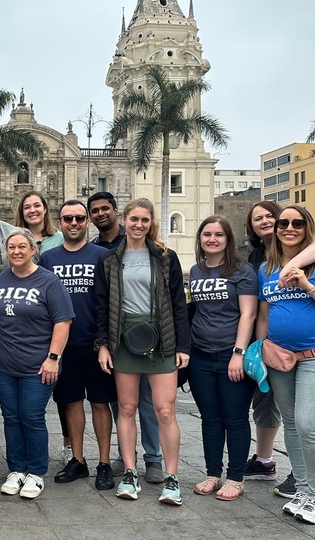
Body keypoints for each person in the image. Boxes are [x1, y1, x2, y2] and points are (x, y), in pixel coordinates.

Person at [256, 205, 315, 524]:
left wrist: (309, 287)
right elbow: (265, 312)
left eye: (297, 223)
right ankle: (304, 490)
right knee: (292, 425)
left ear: (307, 227)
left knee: (309, 424)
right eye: (283, 223)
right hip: (280, 357)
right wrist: (260, 348)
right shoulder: (267, 267)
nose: (289, 228)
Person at [94, 198, 190, 505]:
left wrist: (182, 346)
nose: (138, 225)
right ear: (124, 220)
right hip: (123, 338)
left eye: (144, 220)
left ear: (151, 224)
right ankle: (130, 472)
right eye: (134, 219)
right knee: (126, 407)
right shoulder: (109, 260)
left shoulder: (165, 257)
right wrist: (103, 345)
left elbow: (178, 303)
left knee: (164, 409)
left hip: (161, 337)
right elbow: (101, 306)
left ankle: (171, 477)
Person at [0, 229, 74, 500]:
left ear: (33, 250)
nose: (16, 251)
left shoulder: (48, 281)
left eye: (22, 247)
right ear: (6, 252)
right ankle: (16, 469)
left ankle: (36, 472)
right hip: (5, 365)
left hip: (38, 365)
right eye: (11, 247)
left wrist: (53, 359)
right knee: (11, 417)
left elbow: (63, 321)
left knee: (31, 416)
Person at [40, 200, 116, 490]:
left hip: (96, 344)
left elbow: (111, 302)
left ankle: (105, 463)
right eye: (68, 218)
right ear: (59, 223)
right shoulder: (48, 258)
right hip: (63, 348)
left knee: (99, 403)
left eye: (79, 218)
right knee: (70, 402)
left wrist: (106, 341)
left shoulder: (103, 255)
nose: (74, 223)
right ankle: (79, 460)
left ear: (87, 222)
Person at [187, 216, 258, 501]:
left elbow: (248, 314)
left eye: (218, 235)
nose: (212, 239)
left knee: (235, 418)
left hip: (232, 355)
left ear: (228, 239)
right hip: (201, 355)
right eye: (207, 234)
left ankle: (236, 477)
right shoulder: (197, 270)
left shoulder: (242, 270)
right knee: (210, 418)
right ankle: (213, 473)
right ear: (200, 239)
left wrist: (238, 354)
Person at [16, 190, 63, 255]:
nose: (32, 210)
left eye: (37, 206)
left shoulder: (61, 239)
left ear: (45, 209)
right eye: (27, 207)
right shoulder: (14, 240)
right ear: (22, 212)